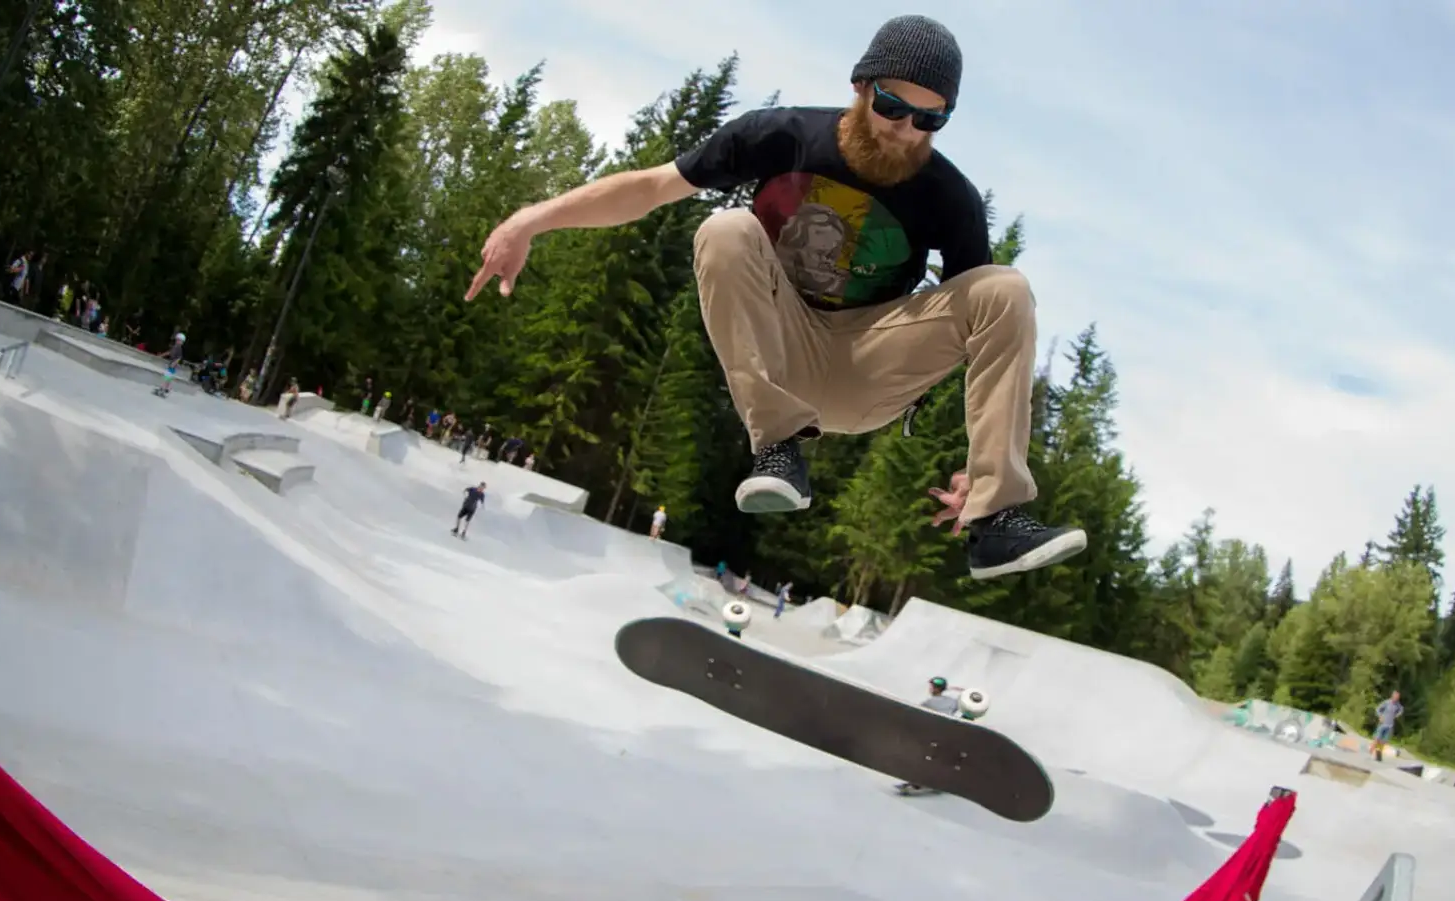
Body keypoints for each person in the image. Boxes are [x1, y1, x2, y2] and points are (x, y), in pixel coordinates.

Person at [466, 15, 1087, 581]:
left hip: (867, 369)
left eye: (930, 120)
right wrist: (532, 219)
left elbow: (982, 338)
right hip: (778, 349)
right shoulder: (779, 136)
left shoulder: (949, 198)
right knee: (726, 228)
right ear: (862, 87)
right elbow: (651, 188)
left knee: (1005, 289)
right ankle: (776, 449)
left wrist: (972, 466)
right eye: (895, 108)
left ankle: (995, 520)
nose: (905, 132)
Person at [898, 676, 964, 795]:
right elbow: (967, 699)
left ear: (934, 688)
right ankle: (936, 782)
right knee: (936, 759)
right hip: (950, 735)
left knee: (925, 758)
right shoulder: (952, 701)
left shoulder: (928, 703)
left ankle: (919, 783)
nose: (930, 689)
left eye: (931, 687)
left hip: (934, 735)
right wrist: (953, 689)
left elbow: (915, 715)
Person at [1370, 690, 1403, 760]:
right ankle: (1370, 752)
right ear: (1392, 696)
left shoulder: (1398, 705)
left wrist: (1397, 715)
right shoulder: (1387, 702)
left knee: (1383, 741)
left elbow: (1401, 710)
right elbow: (1378, 709)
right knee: (1377, 739)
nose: (1396, 699)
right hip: (1382, 724)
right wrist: (1380, 716)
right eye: (1395, 697)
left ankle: (1378, 755)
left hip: (1390, 725)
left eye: (1397, 698)